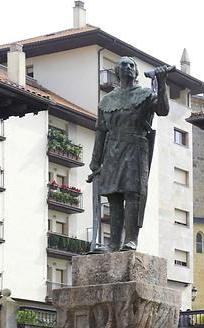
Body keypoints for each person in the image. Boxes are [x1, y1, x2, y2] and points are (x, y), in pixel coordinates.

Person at [87, 57, 171, 251]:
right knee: (114, 197)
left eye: (131, 65)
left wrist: (163, 82)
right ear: (117, 71)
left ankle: (130, 239)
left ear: (136, 72)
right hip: (112, 151)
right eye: (123, 65)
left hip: (135, 147)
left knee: (133, 194)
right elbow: (101, 131)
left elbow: (163, 110)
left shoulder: (145, 94)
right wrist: (95, 161)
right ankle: (113, 243)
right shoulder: (107, 101)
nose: (128, 67)